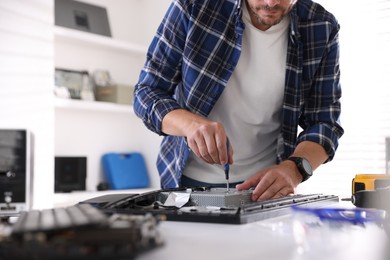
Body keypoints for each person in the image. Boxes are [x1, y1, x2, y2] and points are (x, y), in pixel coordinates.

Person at [133, 0, 344, 201]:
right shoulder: (195, 5)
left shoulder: (322, 25)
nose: (271, 4)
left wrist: (295, 169)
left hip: (266, 188)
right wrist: (190, 124)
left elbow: (324, 123)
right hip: (184, 183)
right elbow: (147, 92)